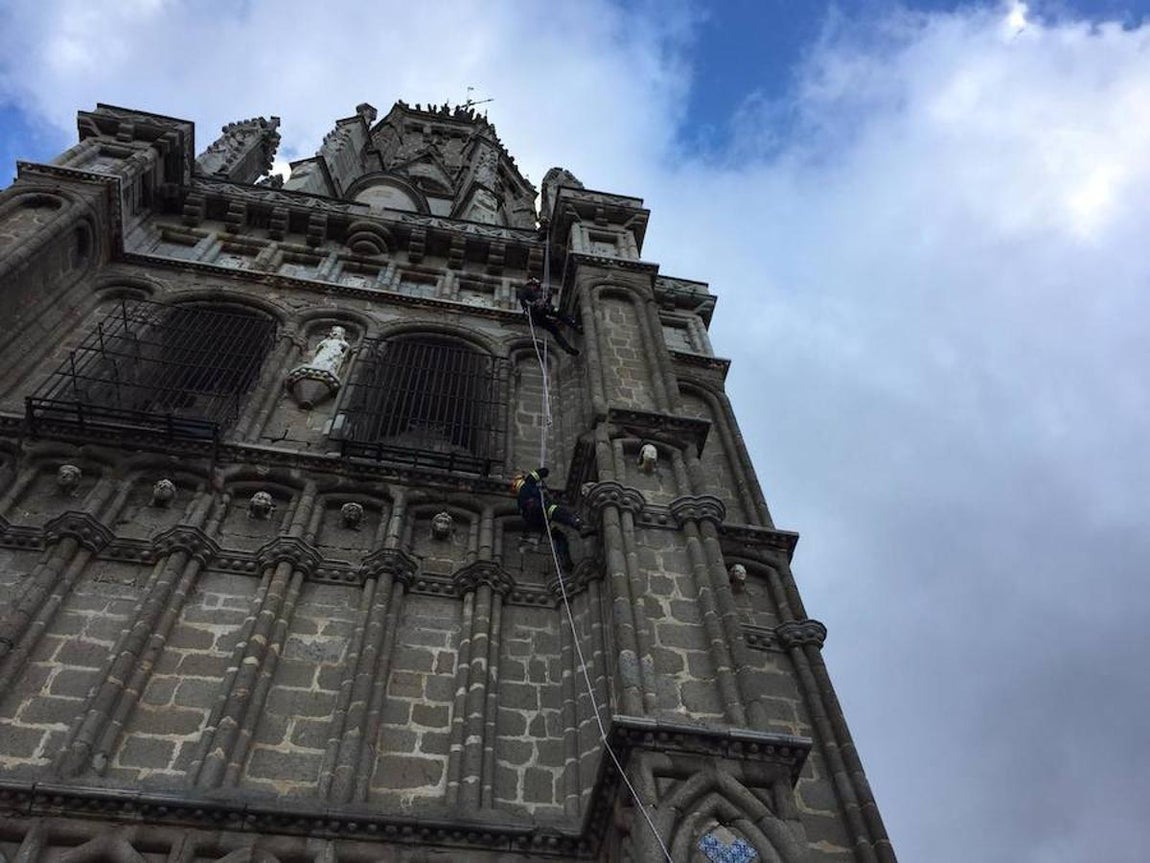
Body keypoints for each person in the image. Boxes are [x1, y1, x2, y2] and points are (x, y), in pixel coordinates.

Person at [512, 467, 593, 569]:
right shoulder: (528, 482)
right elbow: (544, 471)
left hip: (536, 522)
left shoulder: (520, 500)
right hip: (539, 508)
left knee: (559, 536)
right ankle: (581, 527)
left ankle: (565, 561)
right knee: (561, 513)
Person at [517, 278, 582, 355]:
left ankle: (567, 348)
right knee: (560, 314)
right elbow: (523, 301)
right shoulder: (525, 290)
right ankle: (576, 326)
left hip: (538, 316)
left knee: (555, 330)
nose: (536, 289)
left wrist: (548, 297)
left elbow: (544, 301)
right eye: (536, 287)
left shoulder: (536, 293)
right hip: (538, 311)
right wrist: (534, 304)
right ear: (531, 285)